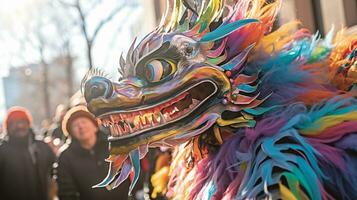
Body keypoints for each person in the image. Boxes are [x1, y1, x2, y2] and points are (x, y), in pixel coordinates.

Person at [57, 105, 130, 200]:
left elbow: (128, 174)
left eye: (84, 122)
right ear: (71, 133)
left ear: (95, 126)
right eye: (75, 125)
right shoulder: (65, 157)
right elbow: (66, 192)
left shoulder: (113, 145)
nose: (81, 126)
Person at [0, 106, 55, 200]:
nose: (19, 126)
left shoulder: (42, 146)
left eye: (22, 121)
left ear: (28, 124)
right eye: (14, 123)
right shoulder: (2, 151)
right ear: (8, 127)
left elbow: (54, 173)